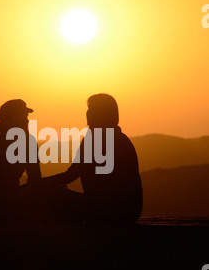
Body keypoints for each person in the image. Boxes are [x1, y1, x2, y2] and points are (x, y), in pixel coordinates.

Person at [40, 94, 143, 223]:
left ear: (103, 113)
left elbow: (70, 175)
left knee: (50, 193)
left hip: (106, 210)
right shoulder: (121, 138)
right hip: (129, 211)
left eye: (93, 110)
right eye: (89, 109)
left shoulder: (95, 139)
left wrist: (38, 184)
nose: (88, 113)